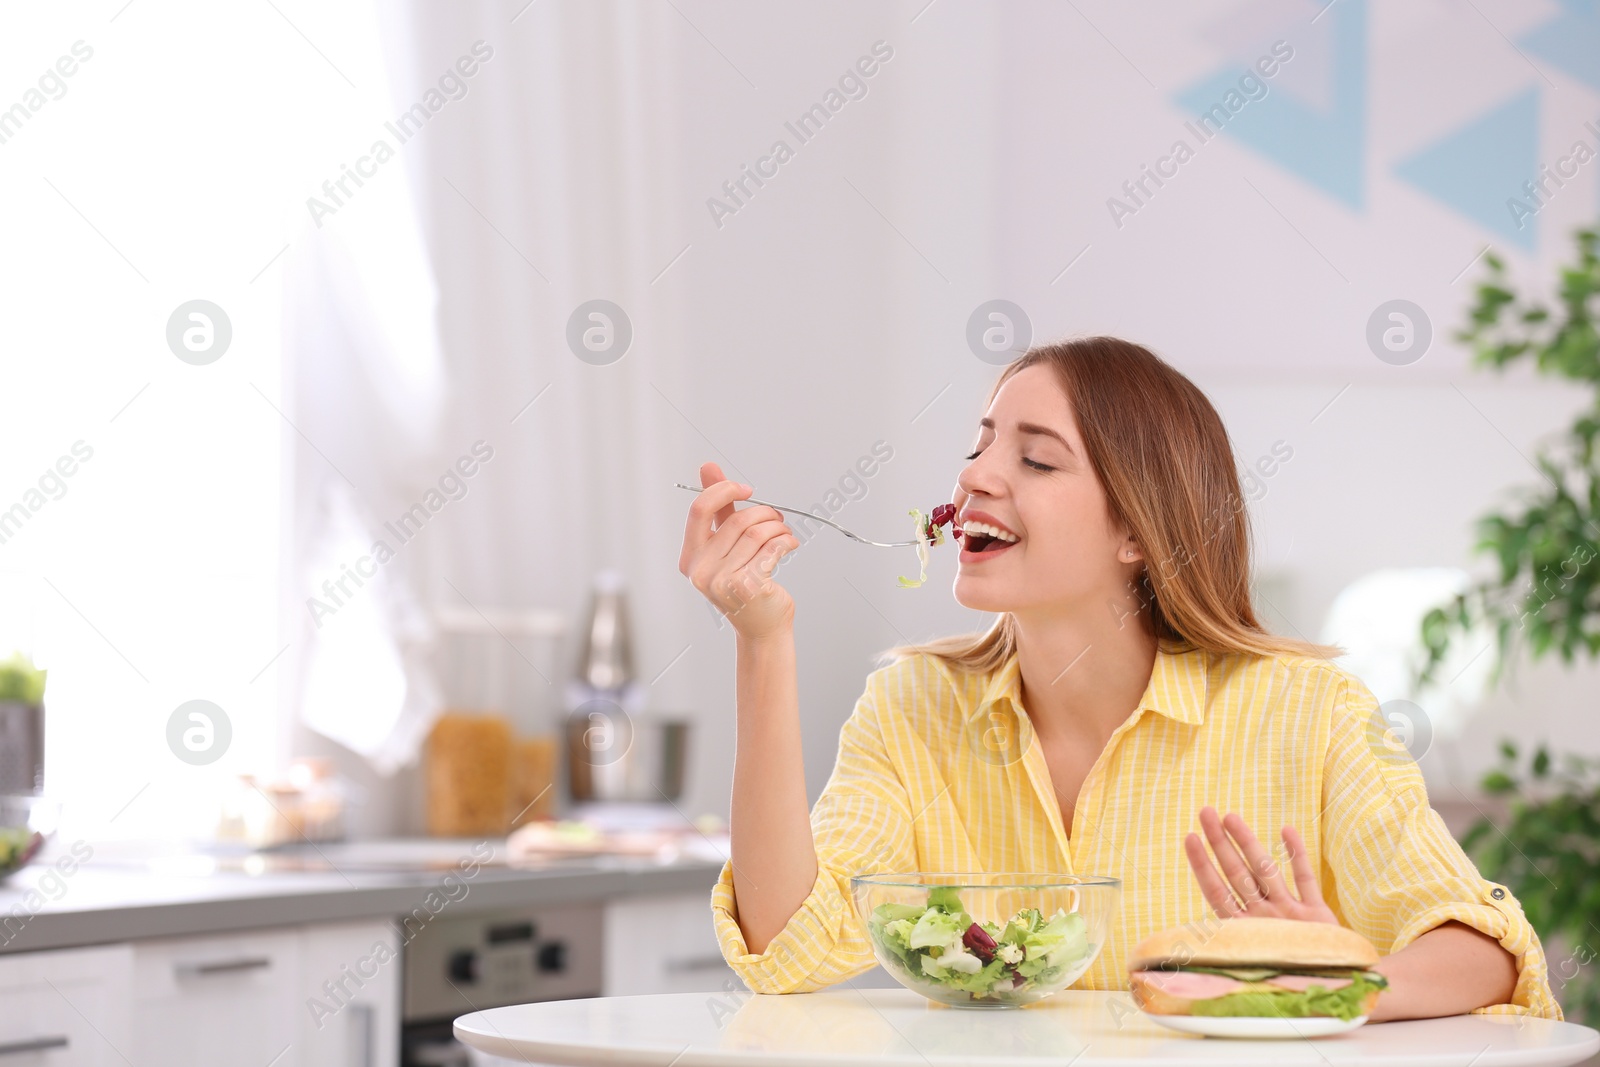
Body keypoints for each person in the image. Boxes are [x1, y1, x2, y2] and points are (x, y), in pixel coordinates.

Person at [677, 336, 1560, 1021]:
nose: (975, 474)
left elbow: (1482, 947)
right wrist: (763, 643)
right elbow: (789, 946)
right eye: (981, 444)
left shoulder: (1308, 712)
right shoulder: (913, 706)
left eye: (1035, 458)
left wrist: (1333, 980)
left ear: (1138, 530)